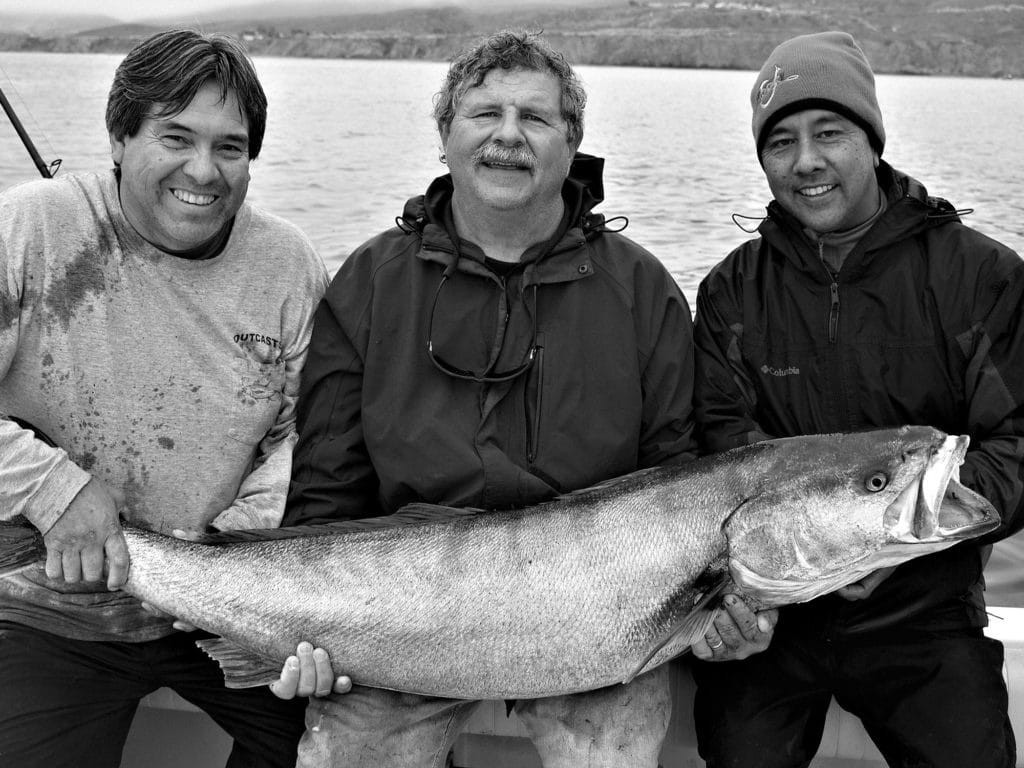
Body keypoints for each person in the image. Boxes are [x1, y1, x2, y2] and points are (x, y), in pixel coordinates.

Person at [273, 28, 702, 768]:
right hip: (399, 614)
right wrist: (310, 627)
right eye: (484, 114)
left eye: (535, 118)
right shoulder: (373, 282)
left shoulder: (642, 290)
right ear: (444, 136)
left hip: (596, 621)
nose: (509, 136)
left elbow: (678, 473)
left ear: (572, 145)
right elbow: (328, 478)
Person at [691, 30, 1023, 768]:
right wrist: (752, 598)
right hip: (777, 621)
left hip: (926, 617)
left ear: (872, 139)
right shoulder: (729, 294)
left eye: (828, 132)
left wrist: (890, 538)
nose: (805, 160)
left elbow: (1020, 442)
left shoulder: (982, 278)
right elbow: (720, 448)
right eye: (781, 142)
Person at [0, 29, 329, 768]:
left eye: (231, 148)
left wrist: (238, 546)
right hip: (42, 614)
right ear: (119, 137)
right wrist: (53, 491)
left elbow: (306, 435)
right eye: (175, 137)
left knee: (353, 748)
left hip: (229, 612)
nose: (203, 171)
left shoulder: (288, 265)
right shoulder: (31, 226)